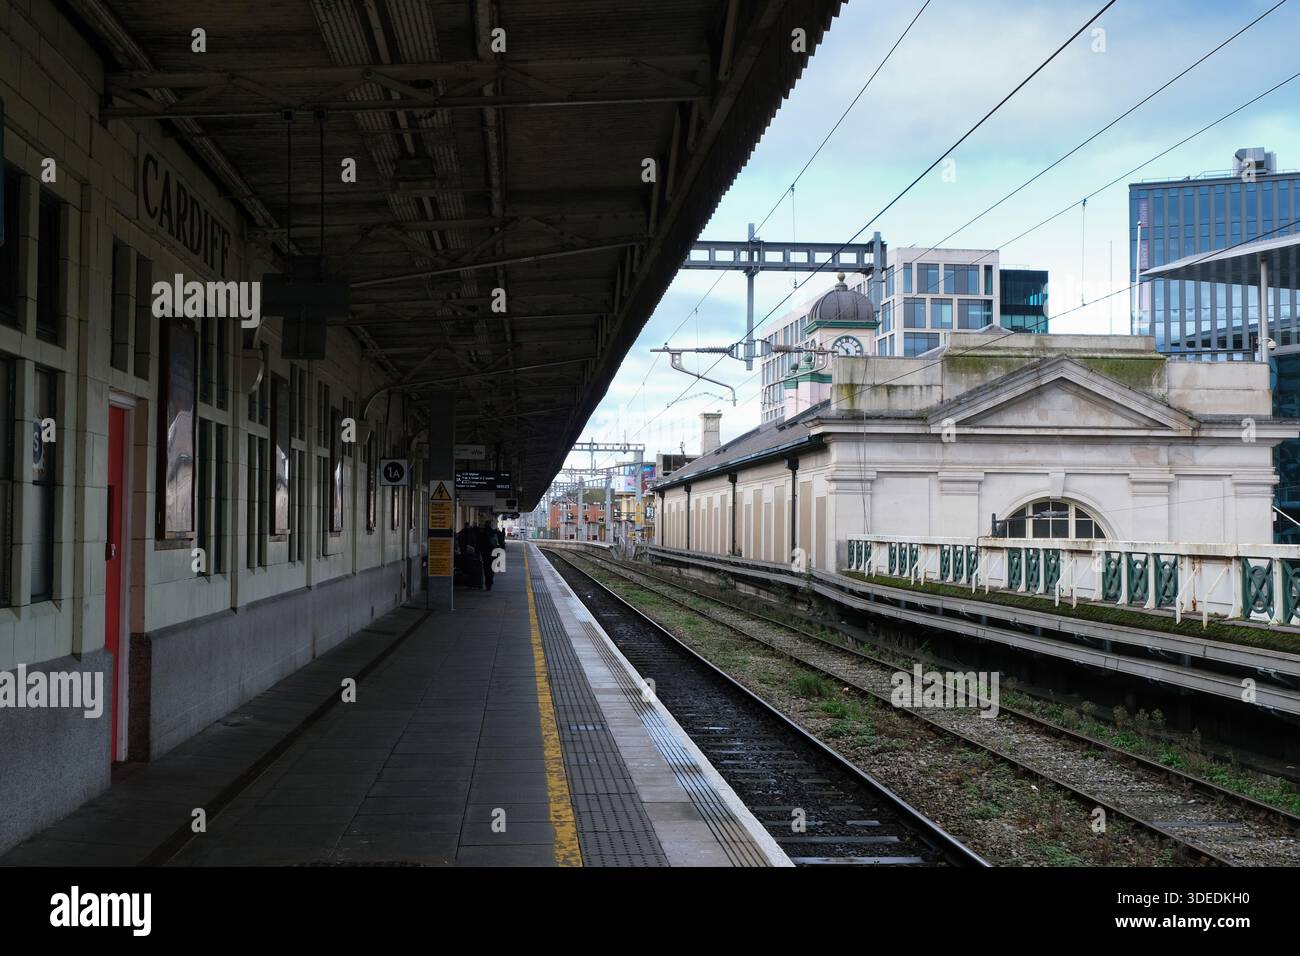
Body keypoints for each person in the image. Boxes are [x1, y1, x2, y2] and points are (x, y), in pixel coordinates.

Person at [476, 519, 497, 591]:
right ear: (490, 525)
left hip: (484, 555)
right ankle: (490, 584)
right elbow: (497, 544)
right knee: (491, 570)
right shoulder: (493, 533)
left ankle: (487, 584)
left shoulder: (481, 533)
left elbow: (478, 545)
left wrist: (478, 554)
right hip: (493, 554)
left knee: (486, 569)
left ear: (485, 525)